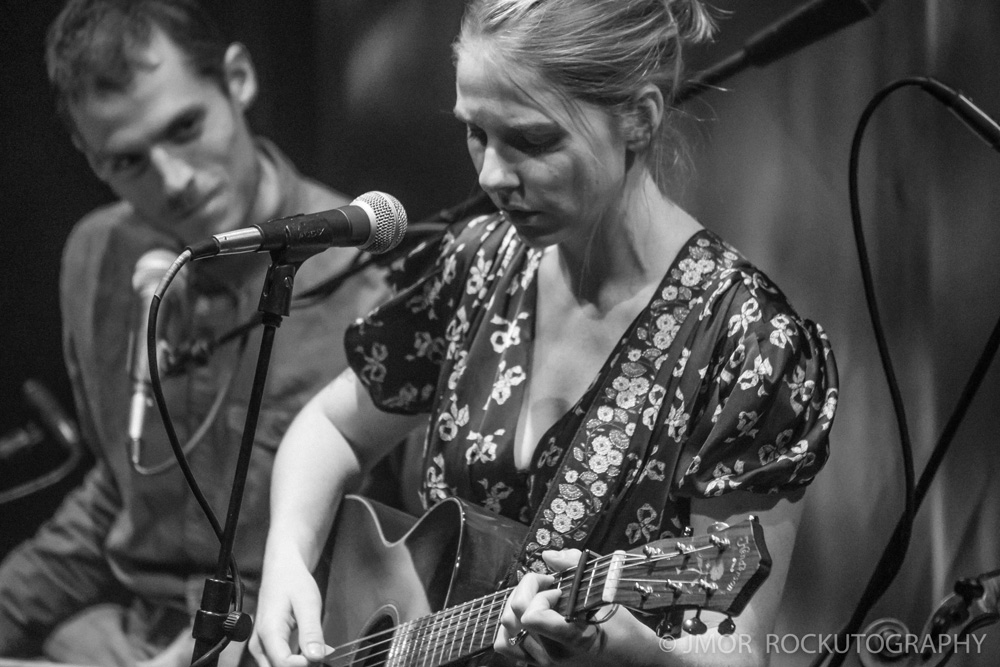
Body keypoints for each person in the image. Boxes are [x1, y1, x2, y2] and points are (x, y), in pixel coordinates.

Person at [250, 1, 839, 666]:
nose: (491, 176)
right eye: (477, 133)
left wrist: (625, 649)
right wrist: (287, 559)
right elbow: (331, 427)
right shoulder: (478, 261)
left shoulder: (747, 341)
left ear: (639, 119)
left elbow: (737, 649)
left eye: (531, 141)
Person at [0, 1, 392, 665]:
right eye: (127, 162)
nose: (173, 181)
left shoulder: (369, 286)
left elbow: (377, 547)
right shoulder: (97, 256)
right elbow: (117, 497)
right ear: (89, 160)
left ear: (237, 79)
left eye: (185, 127)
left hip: (276, 638)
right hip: (122, 631)